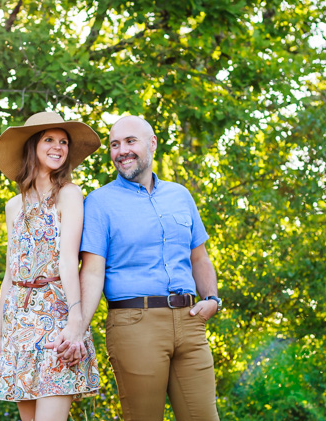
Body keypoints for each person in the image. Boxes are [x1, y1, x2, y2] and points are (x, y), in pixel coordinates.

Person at [73, 115, 222, 421]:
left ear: (152, 144)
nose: (121, 151)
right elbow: (91, 272)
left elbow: (199, 258)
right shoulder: (99, 203)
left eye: (130, 141)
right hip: (134, 324)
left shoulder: (180, 195)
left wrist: (212, 299)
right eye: (115, 145)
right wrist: (77, 329)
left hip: (191, 322)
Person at [0, 111, 102, 421]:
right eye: (49, 140)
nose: (58, 147)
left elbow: (68, 260)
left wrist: (76, 323)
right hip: (18, 322)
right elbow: (10, 274)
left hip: (55, 318)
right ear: (33, 147)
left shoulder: (69, 194)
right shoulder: (14, 206)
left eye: (63, 141)